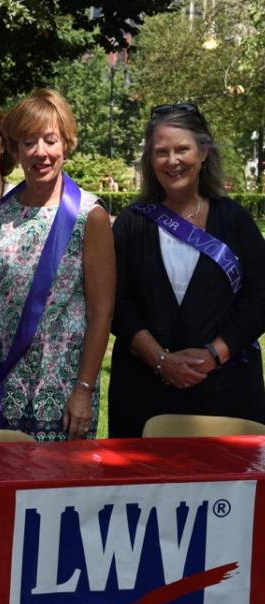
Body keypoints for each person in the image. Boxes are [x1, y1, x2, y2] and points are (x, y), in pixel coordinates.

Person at [108, 104, 265, 437]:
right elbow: (117, 307)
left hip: (227, 390)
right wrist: (162, 361)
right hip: (145, 392)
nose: (172, 160)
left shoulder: (235, 219)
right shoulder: (130, 224)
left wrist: (214, 355)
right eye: (161, 152)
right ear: (150, 160)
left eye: (182, 149)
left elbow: (259, 298)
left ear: (204, 152)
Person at [0, 88, 115, 441]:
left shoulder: (91, 217)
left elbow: (101, 312)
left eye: (50, 140)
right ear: (13, 149)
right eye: (28, 142)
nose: (40, 152)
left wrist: (84, 390)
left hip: (63, 391)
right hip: (3, 386)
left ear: (66, 144)